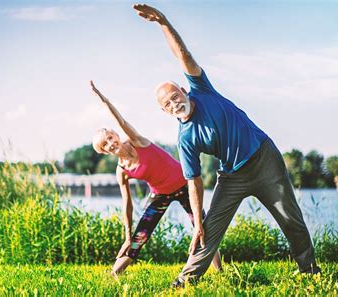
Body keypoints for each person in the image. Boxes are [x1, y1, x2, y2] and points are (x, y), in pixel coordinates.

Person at [132, 3, 321, 287]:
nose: (175, 103)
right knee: (206, 231)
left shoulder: (201, 89)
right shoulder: (185, 139)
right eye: (168, 103)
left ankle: (309, 271)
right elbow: (193, 182)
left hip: (264, 159)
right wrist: (197, 219)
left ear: (183, 90)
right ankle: (184, 281)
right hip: (232, 176)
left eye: (175, 96)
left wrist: (163, 22)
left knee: (290, 219)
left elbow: (183, 55)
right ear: (165, 111)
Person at [90, 81, 222, 276]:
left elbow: (122, 122)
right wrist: (127, 237)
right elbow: (127, 205)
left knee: (202, 227)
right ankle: (113, 275)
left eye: (110, 137)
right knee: (139, 237)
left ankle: (219, 272)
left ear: (116, 135)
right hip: (161, 194)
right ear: (103, 151)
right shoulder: (122, 171)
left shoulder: (137, 142)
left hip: (185, 185)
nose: (111, 143)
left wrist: (103, 100)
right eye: (105, 144)